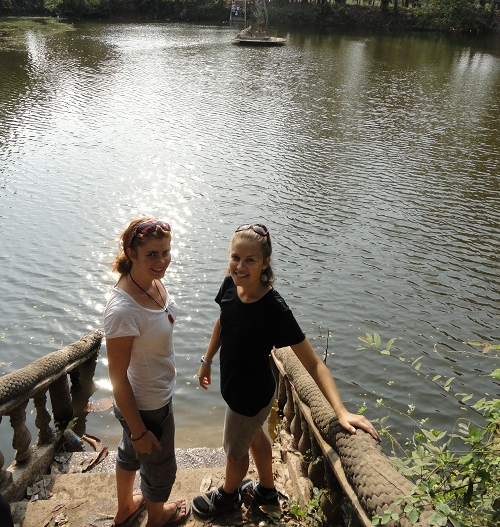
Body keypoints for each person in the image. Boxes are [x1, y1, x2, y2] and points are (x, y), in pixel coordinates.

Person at [192, 223, 380, 519]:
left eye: (250, 260)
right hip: (239, 389)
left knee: (235, 452)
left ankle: (227, 497)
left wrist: (340, 411)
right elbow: (223, 321)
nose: (240, 266)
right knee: (255, 437)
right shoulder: (230, 284)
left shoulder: (274, 309)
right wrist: (207, 360)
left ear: (265, 262)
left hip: (249, 397)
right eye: (235, 257)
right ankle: (266, 490)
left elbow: (314, 364)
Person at [104, 217, 190, 527]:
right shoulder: (123, 310)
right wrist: (140, 430)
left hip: (146, 398)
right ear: (131, 253)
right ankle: (158, 517)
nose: (162, 261)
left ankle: (126, 507)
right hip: (146, 406)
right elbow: (117, 378)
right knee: (160, 467)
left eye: (166, 252)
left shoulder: (151, 281)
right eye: (152, 254)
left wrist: (135, 433)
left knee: (130, 453)